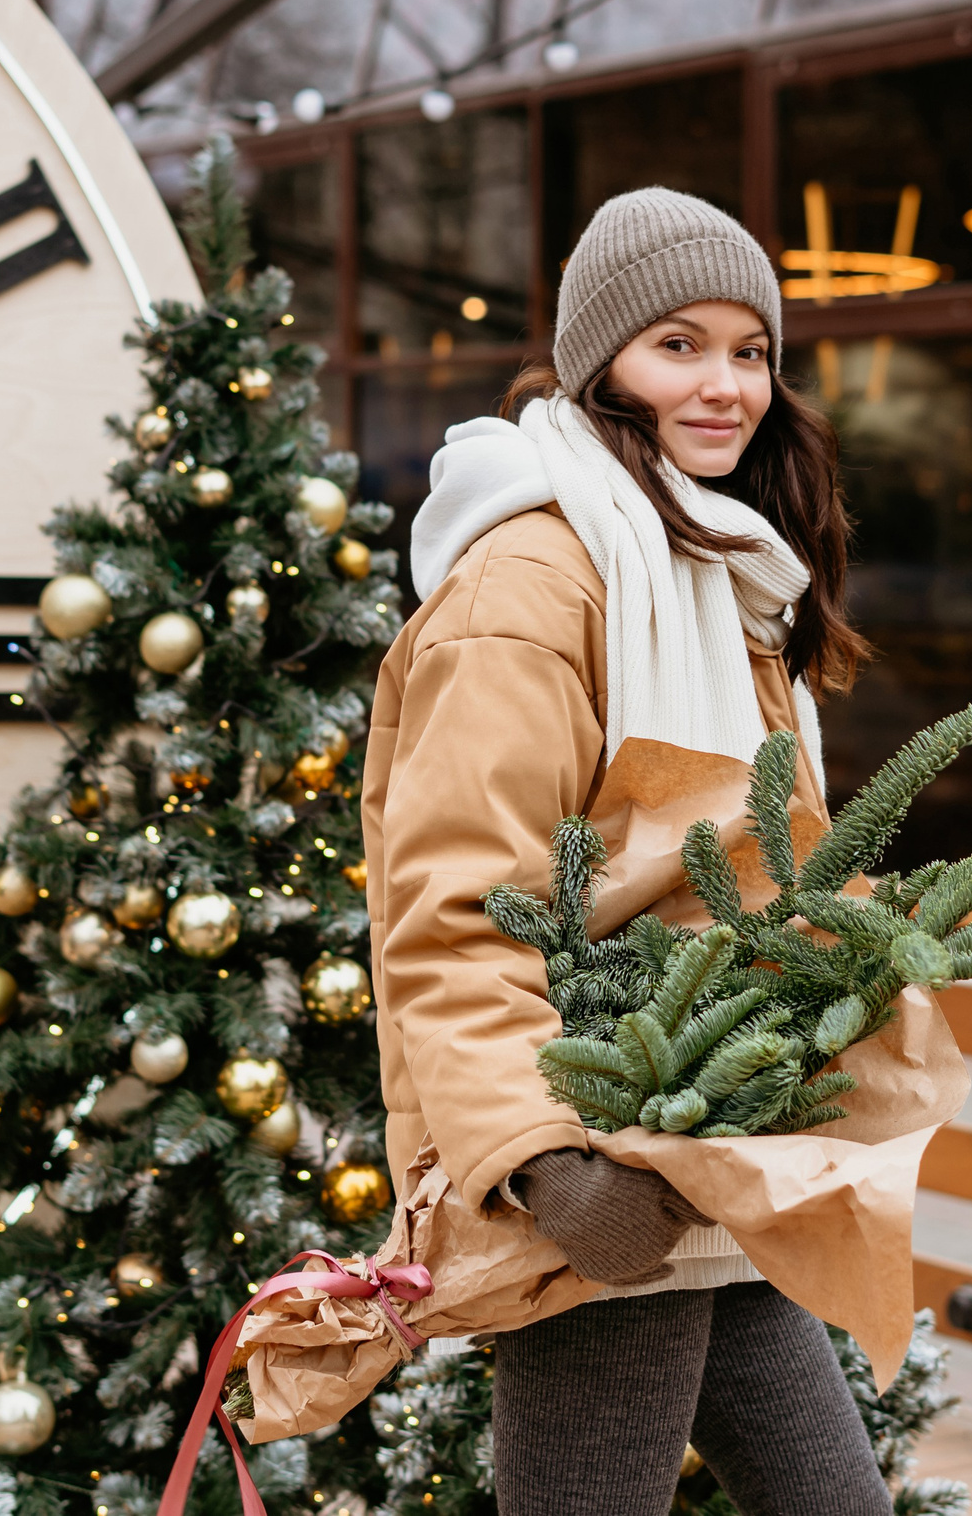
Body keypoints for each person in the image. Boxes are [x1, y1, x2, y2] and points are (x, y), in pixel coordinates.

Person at [359, 188, 888, 1515]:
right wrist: (550, 1163)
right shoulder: (532, 587)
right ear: (603, 364)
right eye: (679, 345)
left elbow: (764, 864)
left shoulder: (716, 566)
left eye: (750, 351)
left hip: (717, 1150)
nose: (725, 386)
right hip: (600, 1163)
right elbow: (459, 903)